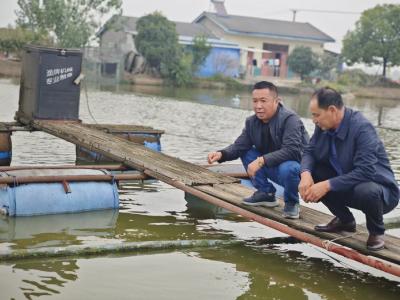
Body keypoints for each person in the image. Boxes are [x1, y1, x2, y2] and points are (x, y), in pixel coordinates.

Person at [299, 87, 399, 251]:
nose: (313, 120)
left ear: (332, 110)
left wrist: (326, 185)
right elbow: (310, 151)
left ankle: (376, 232)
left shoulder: (362, 129)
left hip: (380, 192)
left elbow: (365, 172)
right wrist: (305, 174)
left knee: (367, 190)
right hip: (346, 181)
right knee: (312, 172)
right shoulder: (323, 125)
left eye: (316, 115)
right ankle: (345, 220)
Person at [207, 81, 309, 219]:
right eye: (255, 101)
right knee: (246, 151)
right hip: (272, 167)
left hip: (296, 173)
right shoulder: (252, 122)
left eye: (263, 101)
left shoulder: (291, 119)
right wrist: (221, 154)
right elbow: (239, 146)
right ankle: (265, 193)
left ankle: (292, 202)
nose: (258, 106)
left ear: (276, 101)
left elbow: (292, 151)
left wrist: (261, 161)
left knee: (288, 167)